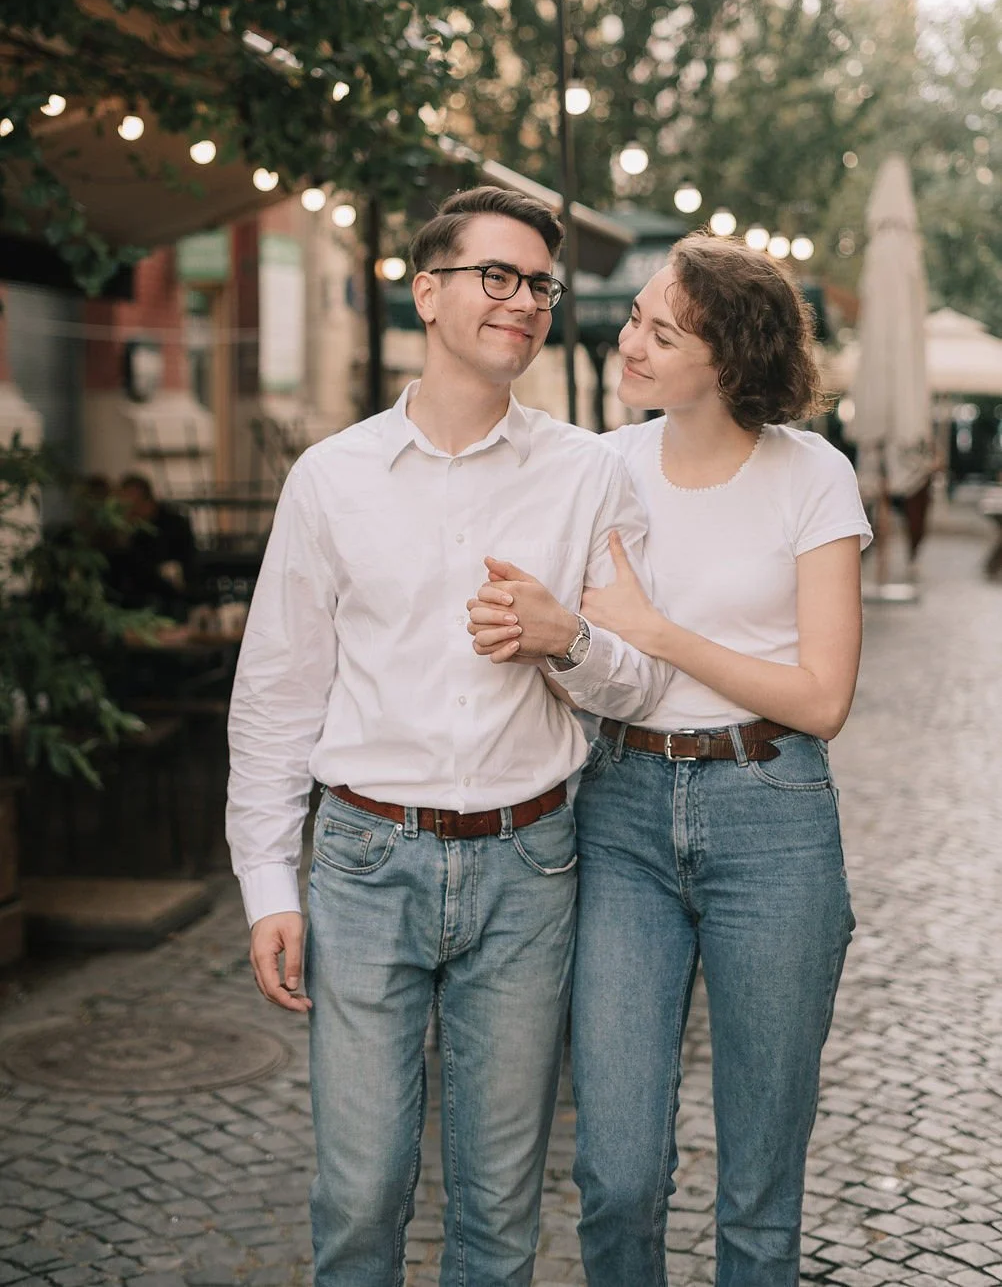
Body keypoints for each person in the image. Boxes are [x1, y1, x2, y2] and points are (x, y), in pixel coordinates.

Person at [225, 186, 668, 1287]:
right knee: (362, 1193)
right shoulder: (331, 480)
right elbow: (276, 694)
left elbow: (642, 682)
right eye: (498, 277)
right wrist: (268, 885)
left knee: (498, 1208)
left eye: (540, 286)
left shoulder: (588, 473)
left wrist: (565, 641)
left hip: (530, 864)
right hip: (367, 863)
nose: (524, 303)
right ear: (428, 293)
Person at [467, 233, 872, 1286]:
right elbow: (573, 654)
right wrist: (561, 639)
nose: (629, 340)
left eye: (662, 330)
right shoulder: (600, 467)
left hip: (772, 816)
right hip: (622, 810)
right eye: (636, 316)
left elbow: (824, 698)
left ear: (729, 361)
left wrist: (656, 629)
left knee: (758, 1190)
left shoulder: (813, 479)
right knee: (615, 1173)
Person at [105, 472, 198, 618]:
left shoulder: (173, 524)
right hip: (134, 599)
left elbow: (186, 562)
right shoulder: (126, 528)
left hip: (168, 597)